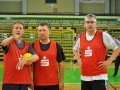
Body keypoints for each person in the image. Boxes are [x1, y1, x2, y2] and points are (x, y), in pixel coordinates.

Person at [73, 14, 120, 90]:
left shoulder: (103, 35)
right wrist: (78, 59)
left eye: (92, 22)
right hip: (85, 76)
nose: (90, 24)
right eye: (87, 22)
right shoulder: (80, 36)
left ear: (96, 24)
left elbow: (118, 47)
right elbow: (75, 49)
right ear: (84, 24)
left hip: (100, 77)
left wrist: (110, 60)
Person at [1, 21, 39, 90]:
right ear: (12, 30)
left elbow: (36, 57)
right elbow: (3, 43)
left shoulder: (27, 45)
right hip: (10, 81)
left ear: (23, 31)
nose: (18, 30)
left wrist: (25, 60)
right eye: (16, 28)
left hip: (23, 81)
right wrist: (13, 37)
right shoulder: (9, 43)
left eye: (20, 28)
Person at [32, 23, 65, 90]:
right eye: (39, 30)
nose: (41, 32)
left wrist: (61, 81)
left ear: (49, 32)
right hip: (38, 83)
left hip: (53, 83)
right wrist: (30, 80)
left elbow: (61, 64)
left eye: (44, 30)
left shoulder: (56, 45)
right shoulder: (33, 46)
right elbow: (29, 66)